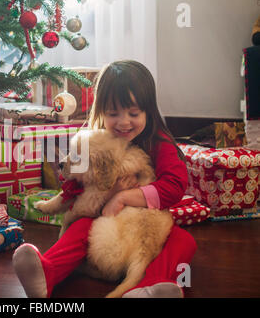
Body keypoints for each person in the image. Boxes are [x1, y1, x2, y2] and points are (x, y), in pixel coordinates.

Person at [12, 60, 197, 298]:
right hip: (102, 231)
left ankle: (151, 287)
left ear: (148, 111)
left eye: (133, 113)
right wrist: (107, 194)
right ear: (100, 111)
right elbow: (70, 181)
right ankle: (46, 274)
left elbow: (174, 186)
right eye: (113, 113)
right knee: (79, 227)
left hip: (141, 229)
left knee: (184, 241)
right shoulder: (92, 135)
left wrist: (123, 197)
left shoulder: (157, 141)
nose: (123, 122)